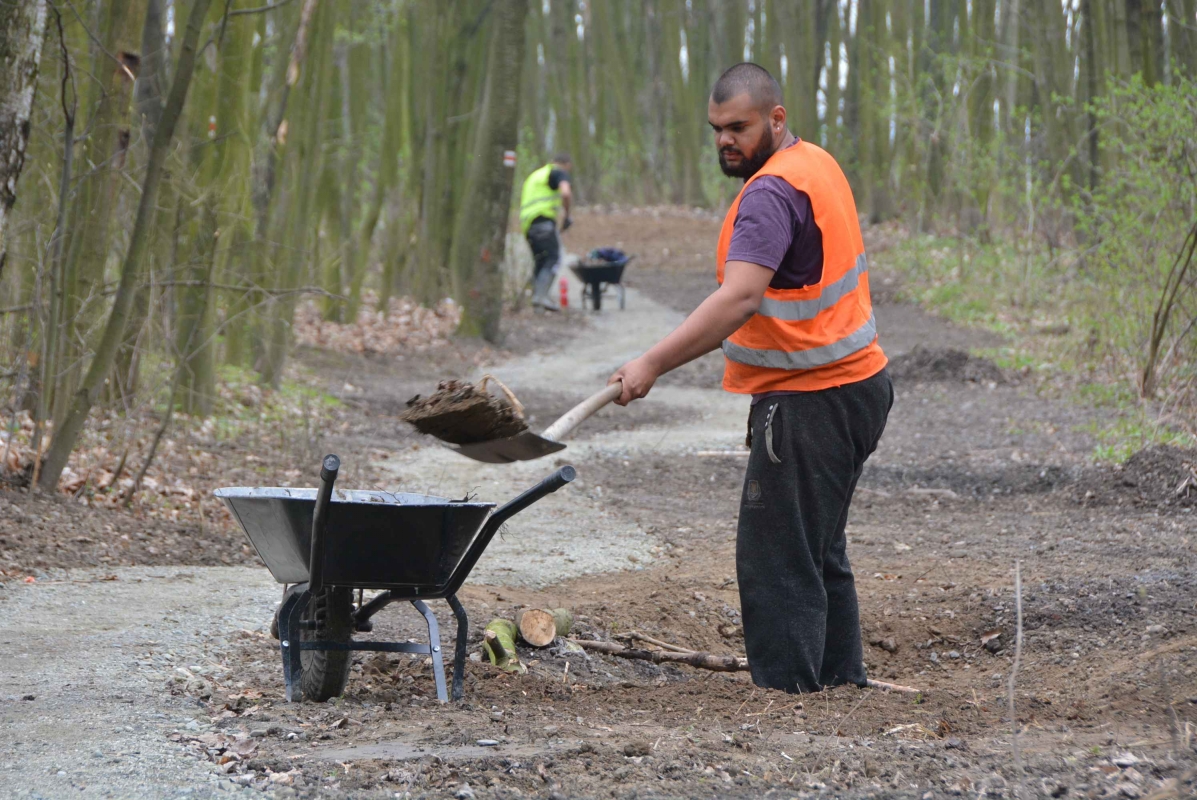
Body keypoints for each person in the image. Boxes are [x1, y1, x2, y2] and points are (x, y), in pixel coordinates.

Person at [609, 63, 893, 694]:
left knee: (776, 556)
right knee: (817, 548)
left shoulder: (769, 194)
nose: (724, 141)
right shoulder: (815, 163)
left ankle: (788, 696)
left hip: (812, 399)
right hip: (858, 387)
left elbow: (738, 299)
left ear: (776, 118)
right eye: (716, 129)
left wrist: (650, 363)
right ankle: (839, 683)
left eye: (738, 126)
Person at [519, 154, 573, 311]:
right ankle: (540, 297)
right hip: (543, 221)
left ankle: (536, 303)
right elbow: (565, 193)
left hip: (528, 224)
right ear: (566, 164)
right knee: (553, 258)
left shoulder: (535, 175)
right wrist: (568, 215)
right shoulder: (557, 172)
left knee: (540, 261)